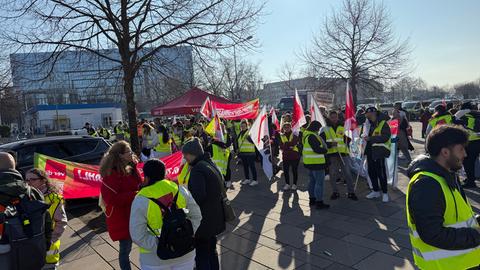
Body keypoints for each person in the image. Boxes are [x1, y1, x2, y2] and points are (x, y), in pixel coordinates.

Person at [406, 125, 480, 270]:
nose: (465, 154)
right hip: (446, 266)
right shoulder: (427, 185)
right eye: (461, 149)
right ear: (445, 152)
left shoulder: (446, 175)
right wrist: (476, 235)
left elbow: (455, 217)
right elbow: (432, 234)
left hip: (463, 262)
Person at [129, 159, 202, 270]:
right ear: (164, 173)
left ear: (146, 177)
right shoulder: (180, 190)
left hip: (155, 259)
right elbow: (197, 216)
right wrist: (187, 235)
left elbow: (137, 235)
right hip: (185, 252)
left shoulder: (140, 200)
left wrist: (164, 244)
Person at [0, 152, 51, 270]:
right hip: (32, 255)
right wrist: (45, 245)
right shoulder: (33, 192)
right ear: (13, 167)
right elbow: (46, 221)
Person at [182, 138, 226, 270]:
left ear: (193, 153)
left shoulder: (197, 169)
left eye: (186, 155)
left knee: (202, 255)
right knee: (211, 250)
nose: (184, 158)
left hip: (203, 220)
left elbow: (197, 197)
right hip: (215, 216)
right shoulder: (209, 163)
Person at [99, 141, 142, 270]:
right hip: (122, 217)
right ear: (120, 155)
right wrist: (135, 194)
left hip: (134, 213)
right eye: (129, 152)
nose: (132, 154)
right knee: (125, 250)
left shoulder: (131, 167)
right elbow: (111, 199)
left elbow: (138, 184)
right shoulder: (111, 174)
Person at [25, 169, 67, 270]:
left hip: (48, 250)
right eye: (26, 180)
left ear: (43, 180)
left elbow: (61, 222)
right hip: (31, 250)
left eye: (32, 179)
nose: (28, 183)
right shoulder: (26, 198)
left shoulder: (54, 199)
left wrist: (50, 240)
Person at [324, 111, 358, 200]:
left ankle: (351, 192)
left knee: (347, 173)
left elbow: (349, 138)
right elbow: (322, 142)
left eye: (335, 117)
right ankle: (335, 192)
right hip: (332, 154)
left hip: (343, 153)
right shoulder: (325, 128)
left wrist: (348, 139)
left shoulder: (343, 126)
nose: (334, 119)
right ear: (329, 118)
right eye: (332, 117)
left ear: (337, 117)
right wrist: (330, 144)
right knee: (332, 174)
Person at [363, 107, 392, 203]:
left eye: (367, 114)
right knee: (371, 172)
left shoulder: (383, 123)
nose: (366, 115)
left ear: (373, 113)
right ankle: (375, 191)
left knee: (381, 173)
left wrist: (371, 139)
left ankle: (385, 193)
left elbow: (386, 137)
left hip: (379, 152)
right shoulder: (367, 123)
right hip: (369, 151)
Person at [302, 121, 329, 209]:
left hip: (309, 162)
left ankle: (312, 199)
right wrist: (325, 150)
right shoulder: (312, 136)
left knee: (312, 181)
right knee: (319, 183)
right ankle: (319, 202)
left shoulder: (306, 134)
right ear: (316, 128)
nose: (319, 130)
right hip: (317, 163)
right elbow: (317, 149)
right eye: (319, 128)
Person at [455, 102, 480, 189]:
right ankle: (470, 179)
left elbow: (453, 121)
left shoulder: (461, 113)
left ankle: (470, 182)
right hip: (478, 140)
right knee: (472, 161)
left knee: (467, 162)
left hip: (469, 141)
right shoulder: (476, 113)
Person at [208, 123, 233, 188]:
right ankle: (222, 181)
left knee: (226, 167)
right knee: (220, 167)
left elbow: (229, 144)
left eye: (221, 127)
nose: (219, 129)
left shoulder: (226, 135)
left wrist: (222, 144)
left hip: (226, 153)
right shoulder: (215, 134)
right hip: (218, 153)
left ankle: (228, 180)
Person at [279, 122, 301, 191]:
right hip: (286, 156)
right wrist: (289, 145)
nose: (286, 129)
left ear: (290, 127)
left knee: (294, 170)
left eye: (288, 127)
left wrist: (286, 144)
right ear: (283, 128)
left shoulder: (295, 134)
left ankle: (294, 184)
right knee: (285, 171)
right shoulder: (281, 135)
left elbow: (294, 142)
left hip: (294, 156)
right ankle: (287, 184)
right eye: (285, 127)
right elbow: (281, 146)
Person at [237, 120, 258, 186]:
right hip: (243, 153)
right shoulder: (240, 133)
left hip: (250, 152)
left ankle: (255, 180)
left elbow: (254, 141)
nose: (243, 127)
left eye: (244, 126)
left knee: (252, 167)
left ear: (247, 126)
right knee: (245, 166)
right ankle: (247, 179)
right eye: (242, 126)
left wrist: (249, 138)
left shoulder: (249, 132)